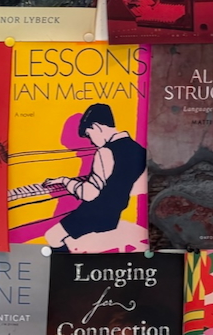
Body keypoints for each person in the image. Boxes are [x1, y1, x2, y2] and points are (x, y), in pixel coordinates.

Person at [43, 103, 147, 251]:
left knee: (53, 236)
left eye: (88, 135)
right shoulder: (140, 150)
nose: (91, 142)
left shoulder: (105, 152)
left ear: (96, 127)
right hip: (115, 213)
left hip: (96, 213)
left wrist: (65, 181)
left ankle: (70, 264)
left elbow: (90, 194)